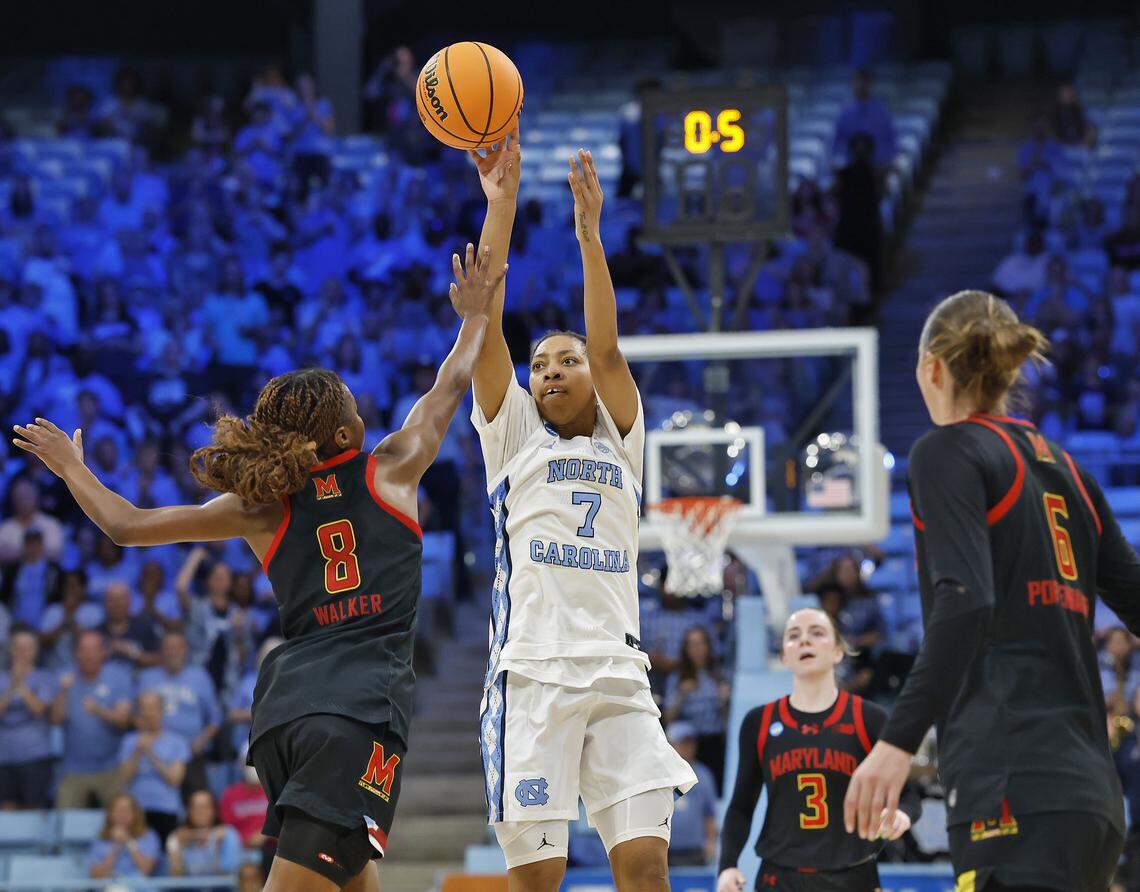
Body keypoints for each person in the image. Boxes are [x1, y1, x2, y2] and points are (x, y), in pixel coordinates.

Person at [13, 241, 506, 892]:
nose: (362, 410)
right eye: (351, 405)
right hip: (356, 714)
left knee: (356, 880)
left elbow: (126, 526)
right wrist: (475, 314)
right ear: (341, 434)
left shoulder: (261, 506)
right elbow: (449, 383)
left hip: (285, 715)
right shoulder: (391, 467)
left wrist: (72, 467)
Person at [845, 289, 1140, 891]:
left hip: (1012, 788)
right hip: (1093, 802)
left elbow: (966, 600)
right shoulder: (1070, 470)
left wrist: (895, 744)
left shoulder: (947, 451)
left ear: (932, 367)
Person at [468, 140, 696, 889]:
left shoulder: (622, 442)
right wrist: (501, 205)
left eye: (563, 361)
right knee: (539, 879)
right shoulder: (513, 440)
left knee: (647, 870)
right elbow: (486, 329)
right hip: (533, 679)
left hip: (620, 676)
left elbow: (606, 350)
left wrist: (589, 238)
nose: (551, 371)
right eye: (540, 365)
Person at [718, 608, 918, 892]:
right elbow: (740, 807)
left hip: (853, 874)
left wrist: (902, 816)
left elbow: (907, 796)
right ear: (785, 656)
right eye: (793, 636)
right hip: (779, 877)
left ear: (838, 652)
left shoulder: (869, 719)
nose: (804, 641)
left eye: (817, 633)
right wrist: (727, 866)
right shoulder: (758, 723)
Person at [53, 629, 134, 808]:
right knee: (64, 823)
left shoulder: (118, 677)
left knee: (122, 815)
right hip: (73, 769)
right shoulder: (65, 679)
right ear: (76, 654)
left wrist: (100, 711)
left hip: (111, 767)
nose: (87, 655)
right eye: (83, 650)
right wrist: (62, 692)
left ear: (103, 653)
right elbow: (56, 720)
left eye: (93, 650)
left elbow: (124, 721)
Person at [138, 631, 221, 796]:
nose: (172, 652)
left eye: (177, 648)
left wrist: (200, 742)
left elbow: (215, 719)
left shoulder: (200, 677)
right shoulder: (146, 678)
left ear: (186, 650)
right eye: (168, 648)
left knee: (198, 800)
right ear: (161, 651)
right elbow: (136, 715)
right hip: (156, 752)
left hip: (191, 753)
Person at [662, 626, 730, 787]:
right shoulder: (677, 678)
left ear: (708, 646)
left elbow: (728, 720)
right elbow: (667, 718)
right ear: (685, 649)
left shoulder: (719, 675)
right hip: (687, 740)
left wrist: (725, 700)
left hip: (714, 740)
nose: (697, 649)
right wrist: (681, 695)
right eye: (692, 645)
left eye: (701, 644)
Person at [0, 629, 59, 808]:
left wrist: (21, 686)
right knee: (5, 811)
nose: (22, 653)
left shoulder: (45, 677)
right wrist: (11, 688)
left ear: (35, 651)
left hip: (35, 756)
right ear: (11, 651)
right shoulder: (1, 679)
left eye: (27, 648)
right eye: (18, 648)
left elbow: (39, 709)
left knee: (32, 811)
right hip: (3, 757)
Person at [119, 690, 189, 840]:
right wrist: (137, 752)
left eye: (152, 708)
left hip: (165, 809)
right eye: (144, 708)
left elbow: (174, 780)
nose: (148, 713)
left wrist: (150, 753)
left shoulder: (177, 742)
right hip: (136, 811)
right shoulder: (129, 741)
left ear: (161, 711)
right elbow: (124, 778)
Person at [664, 722, 718, 867]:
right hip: (664, 850)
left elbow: (709, 813)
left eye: (690, 742)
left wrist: (711, 842)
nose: (687, 747)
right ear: (670, 745)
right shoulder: (660, 774)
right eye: (682, 743)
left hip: (694, 851)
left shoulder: (704, 775)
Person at [166, 788, 243, 882]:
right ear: (188, 811)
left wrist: (214, 843)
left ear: (214, 810)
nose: (200, 812)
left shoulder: (227, 834)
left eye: (205, 807)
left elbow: (232, 874)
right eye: (195, 807)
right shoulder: (178, 837)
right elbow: (175, 878)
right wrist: (177, 847)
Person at [87, 792, 162, 884]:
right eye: (117, 810)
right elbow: (96, 876)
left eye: (126, 810)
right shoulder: (100, 840)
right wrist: (115, 848)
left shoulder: (148, 836)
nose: (122, 815)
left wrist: (129, 842)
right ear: (110, 814)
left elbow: (146, 870)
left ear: (135, 814)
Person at [833, 69, 896, 172]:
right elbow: (837, 144)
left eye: (864, 82)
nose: (861, 86)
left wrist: (882, 162)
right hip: (850, 168)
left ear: (871, 84)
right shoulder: (844, 113)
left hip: (877, 168)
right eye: (857, 82)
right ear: (852, 84)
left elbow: (890, 142)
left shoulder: (882, 112)